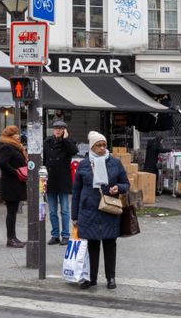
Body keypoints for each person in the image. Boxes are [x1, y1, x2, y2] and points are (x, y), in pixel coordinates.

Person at [71, 131, 130, 290]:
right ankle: (92, 278)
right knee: (92, 246)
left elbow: (126, 184)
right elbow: (76, 192)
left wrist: (119, 187)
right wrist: (74, 216)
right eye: (98, 145)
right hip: (89, 211)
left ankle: (111, 278)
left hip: (109, 209)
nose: (102, 148)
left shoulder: (114, 163)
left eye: (104, 145)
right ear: (92, 147)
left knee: (110, 244)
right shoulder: (83, 164)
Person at [43, 120, 78, 245]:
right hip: (51, 180)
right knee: (52, 210)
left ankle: (66, 235)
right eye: (56, 128)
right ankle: (55, 235)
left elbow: (74, 151)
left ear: (65, 130)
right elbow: (44, 160)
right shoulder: (47, 141)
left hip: (63, 180)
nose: (58, 130)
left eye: (61, 128)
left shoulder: (69, 142)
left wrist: (66, 139)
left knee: (64, 210)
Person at [0, 125, 27, 248]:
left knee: (13, 211)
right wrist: (16, 172)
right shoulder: (7, 147)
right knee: (11, 212)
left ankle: (13, 237)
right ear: (10, 136)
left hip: (16, 184)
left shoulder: (15, 147)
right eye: (16, 134)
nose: (18, 136)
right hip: (10, 185)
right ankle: (11, 238)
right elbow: (3, 164)